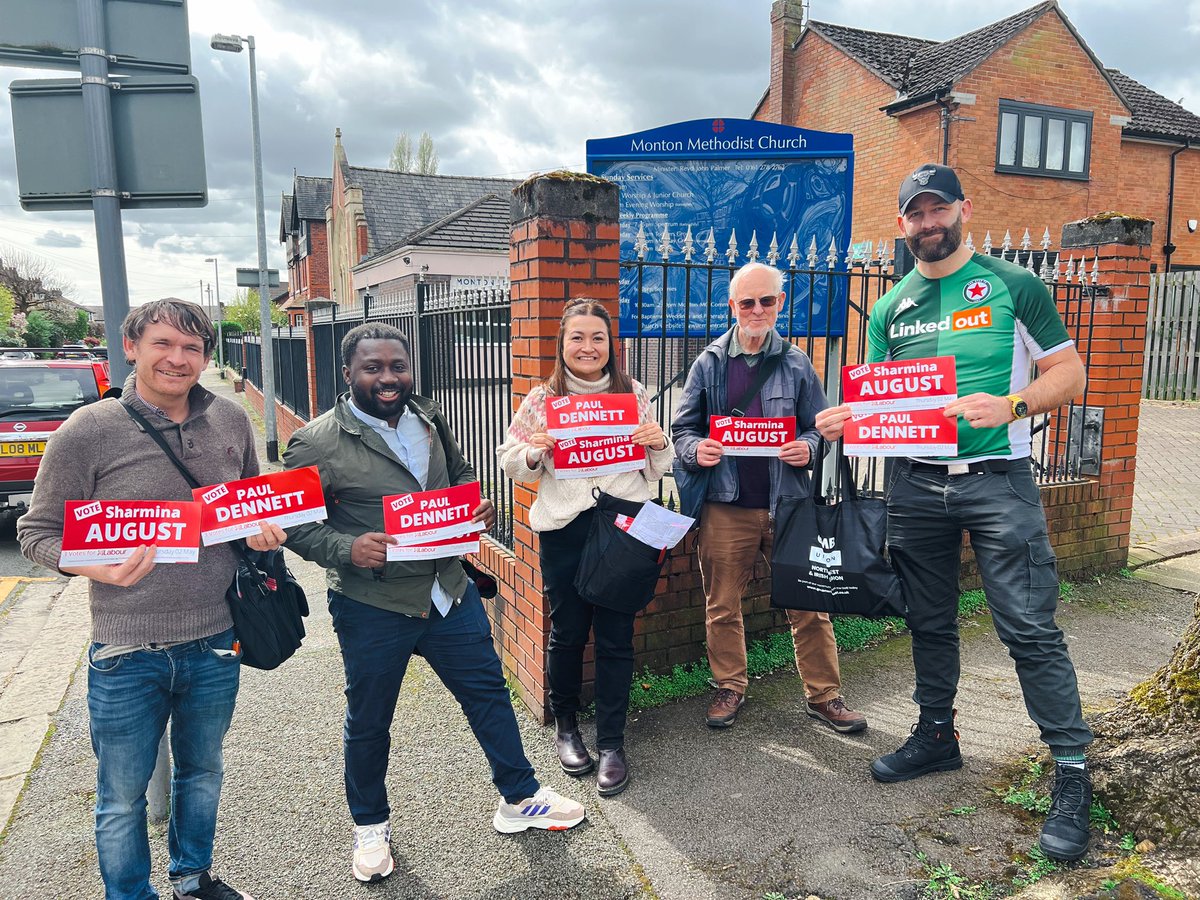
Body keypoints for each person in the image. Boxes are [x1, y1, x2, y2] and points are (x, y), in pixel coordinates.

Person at [816, 163, 1093, 862]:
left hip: (998, 478)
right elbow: (879, 401)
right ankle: (937, 735)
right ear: (902, 224)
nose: (929, 222)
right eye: (916, 213)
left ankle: (1072, 771)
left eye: (939, 209)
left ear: (964, 210)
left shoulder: (1013, 285)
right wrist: (849, 418)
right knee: (928, 618)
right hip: (915, 484)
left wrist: (1015, 405)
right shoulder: (889, 308)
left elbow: (1071, 371)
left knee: (1028, 625)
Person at [282, 322, 584, 885]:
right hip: (375, 603)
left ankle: (518, 797)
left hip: (449, 590)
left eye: (397, 365)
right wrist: (347, 547)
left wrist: (476, 507)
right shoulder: (317, 442)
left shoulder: (429, 416)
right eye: (373, 368)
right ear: (348, 373)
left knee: (489, 695)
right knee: (370, 720)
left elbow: (461, 474)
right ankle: (370, 827)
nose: (388, 377)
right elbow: (294, 524)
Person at [19, 299, 285, 900]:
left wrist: (263, 531)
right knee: (120, 795)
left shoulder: (231, 421)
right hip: (125, 647)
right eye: (163, 344)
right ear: (132, 347)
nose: (178, 358)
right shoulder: (86, 431)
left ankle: (192, 880)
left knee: (203, 775)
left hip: (216, 636)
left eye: (193, 348)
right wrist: (99, 569)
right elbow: (35, 532)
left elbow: (249, 504)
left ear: (207, 358)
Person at [671, 262, 867, 733]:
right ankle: (729, 687)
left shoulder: (798, 363)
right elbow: (681, 431)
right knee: (722, 605)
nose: (757, 310)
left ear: (780, 303)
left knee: (810, 604)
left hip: (789, 506)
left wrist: (811, 447)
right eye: (747, 302)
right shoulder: (709, 363)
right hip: (726, 506)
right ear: (732, 307)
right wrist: (699, 449)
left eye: (766, 301)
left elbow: (819, 428)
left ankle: (824, 696)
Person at [497, 299, 674, 797]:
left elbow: (659, 467)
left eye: (597, 337)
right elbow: (512, 461)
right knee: (569, 633)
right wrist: (535, 449)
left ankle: (613, 743)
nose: (588, 346)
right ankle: (568, 728)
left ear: (609, 345)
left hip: (623, 528)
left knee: (617, 636)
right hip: (564, 530)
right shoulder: (542, 399)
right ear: (562, 343)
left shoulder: (633, 394)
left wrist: (658, 442)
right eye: (578, 337)